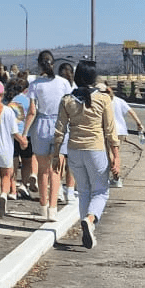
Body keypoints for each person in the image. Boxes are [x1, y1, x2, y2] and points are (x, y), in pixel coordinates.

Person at [51, 60, 119, 249]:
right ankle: (90, 220)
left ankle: (85, 231)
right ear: (93, 77)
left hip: (74, 150)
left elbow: (59, 131)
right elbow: (110, 131)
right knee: (101, 192)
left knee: (84, 192)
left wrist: (57, 155)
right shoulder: (103, 99)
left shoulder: (67, 100)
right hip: (95, 150)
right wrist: (116, 156)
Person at [24, 51, 72, 220]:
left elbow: (31, 112)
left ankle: (43, 206)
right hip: (60, 126)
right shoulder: (64, 83)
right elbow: (70, 105)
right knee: (56, 171)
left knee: (43, 171)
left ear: (39, 64)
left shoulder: (35, 84)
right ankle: (53, 208)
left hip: (41, 127)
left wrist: (24, 134)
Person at [0, 80, 27, 218]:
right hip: (6, 149)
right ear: (1, 94)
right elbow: (14, 132)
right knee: (6, 177)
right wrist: (22, 141)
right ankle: (3, 195)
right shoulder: (7, 111)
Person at [57, 62, 77, 204]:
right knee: (72, 162)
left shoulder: (57, 86)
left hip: (59, 125)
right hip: (74, 127)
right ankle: (70, 191)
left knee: (59, 159)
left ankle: (57, 190)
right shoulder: (75, 88)